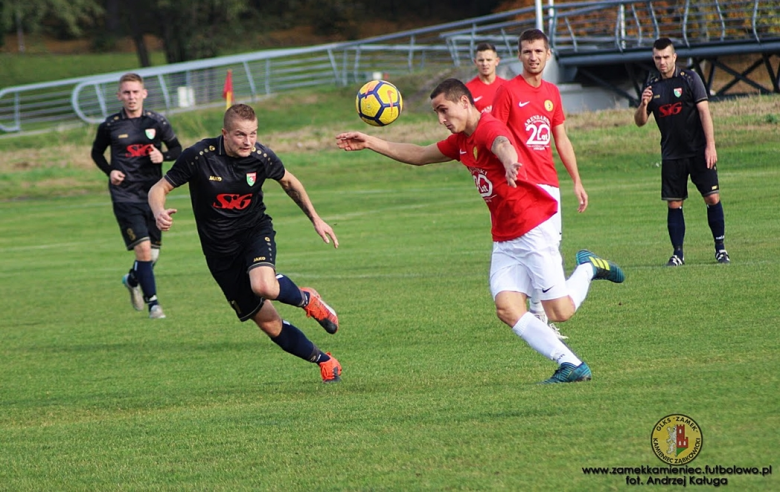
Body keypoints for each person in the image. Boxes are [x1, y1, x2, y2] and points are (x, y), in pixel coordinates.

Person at [336, 78, 624, 384]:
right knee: (507, 308)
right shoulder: (461, 141)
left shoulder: (487, 127)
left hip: (532, 228)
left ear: (464, 103)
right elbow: (419, 155)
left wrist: (509, 161)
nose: (441, 120)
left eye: (444, 110)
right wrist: (370, 142)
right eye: (436, 113)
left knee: (560, 312)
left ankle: (588, 267)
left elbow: (502, 143)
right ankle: (571, 365)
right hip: (505, 237)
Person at [148, 104, 342, 383]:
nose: (248, 141)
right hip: (219, 253)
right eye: (240, 135)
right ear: (224, 133)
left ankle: (307, 300)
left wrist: (316, 218)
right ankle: (325, 361)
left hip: (254, 231)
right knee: (269, 324)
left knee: (263, 285)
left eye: (253, 134)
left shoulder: (261, 157)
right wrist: (158, 212)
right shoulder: (199, 156)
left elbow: (290, 183)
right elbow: (159, 188)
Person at [491, 28, 588, 338]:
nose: (533, 57)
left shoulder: (552, 93)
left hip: (549, 185)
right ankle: (542, 318)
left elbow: (561, 138)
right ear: (519, 56)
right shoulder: (507, 91)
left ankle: (546, 313)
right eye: (527, 51)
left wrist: (576, 180)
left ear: (548, 55)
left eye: (538, 51)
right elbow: (497, 134)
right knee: (539, 251)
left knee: (549, 249)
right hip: (522, 186)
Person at [91, 73, 182, 319]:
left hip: (153, 195)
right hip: (125, 196)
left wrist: (163, 156)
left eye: (135, 92)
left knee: (152, 255)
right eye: (126, 93)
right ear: (119, 95)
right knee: (142, 251)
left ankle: (132, 279)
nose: (131, 97)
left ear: (144, 94)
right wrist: (111, 171)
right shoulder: (110, 125)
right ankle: (154, 304)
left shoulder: (157, 122)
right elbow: (97, 153)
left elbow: (177, 149)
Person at [634, 37, 729, 266]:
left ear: (674, 57)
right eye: (657, 58)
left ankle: (721, 249)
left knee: (712, 197)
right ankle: (678, 254)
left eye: (666, 57)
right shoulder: (652, 86)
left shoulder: (690, 79)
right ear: (653, 59)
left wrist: (711, 145)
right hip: (671, 155)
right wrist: (643, 104)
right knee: (674, 204)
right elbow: (640, 122)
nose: (662, 62)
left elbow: (704, 112)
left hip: (698, 151)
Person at [464, 42, 507, 113]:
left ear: (497, 61)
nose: (485, 64)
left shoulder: (507, 86)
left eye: (489, 60)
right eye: (481, 60)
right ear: (475, 62)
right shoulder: (467, 90)